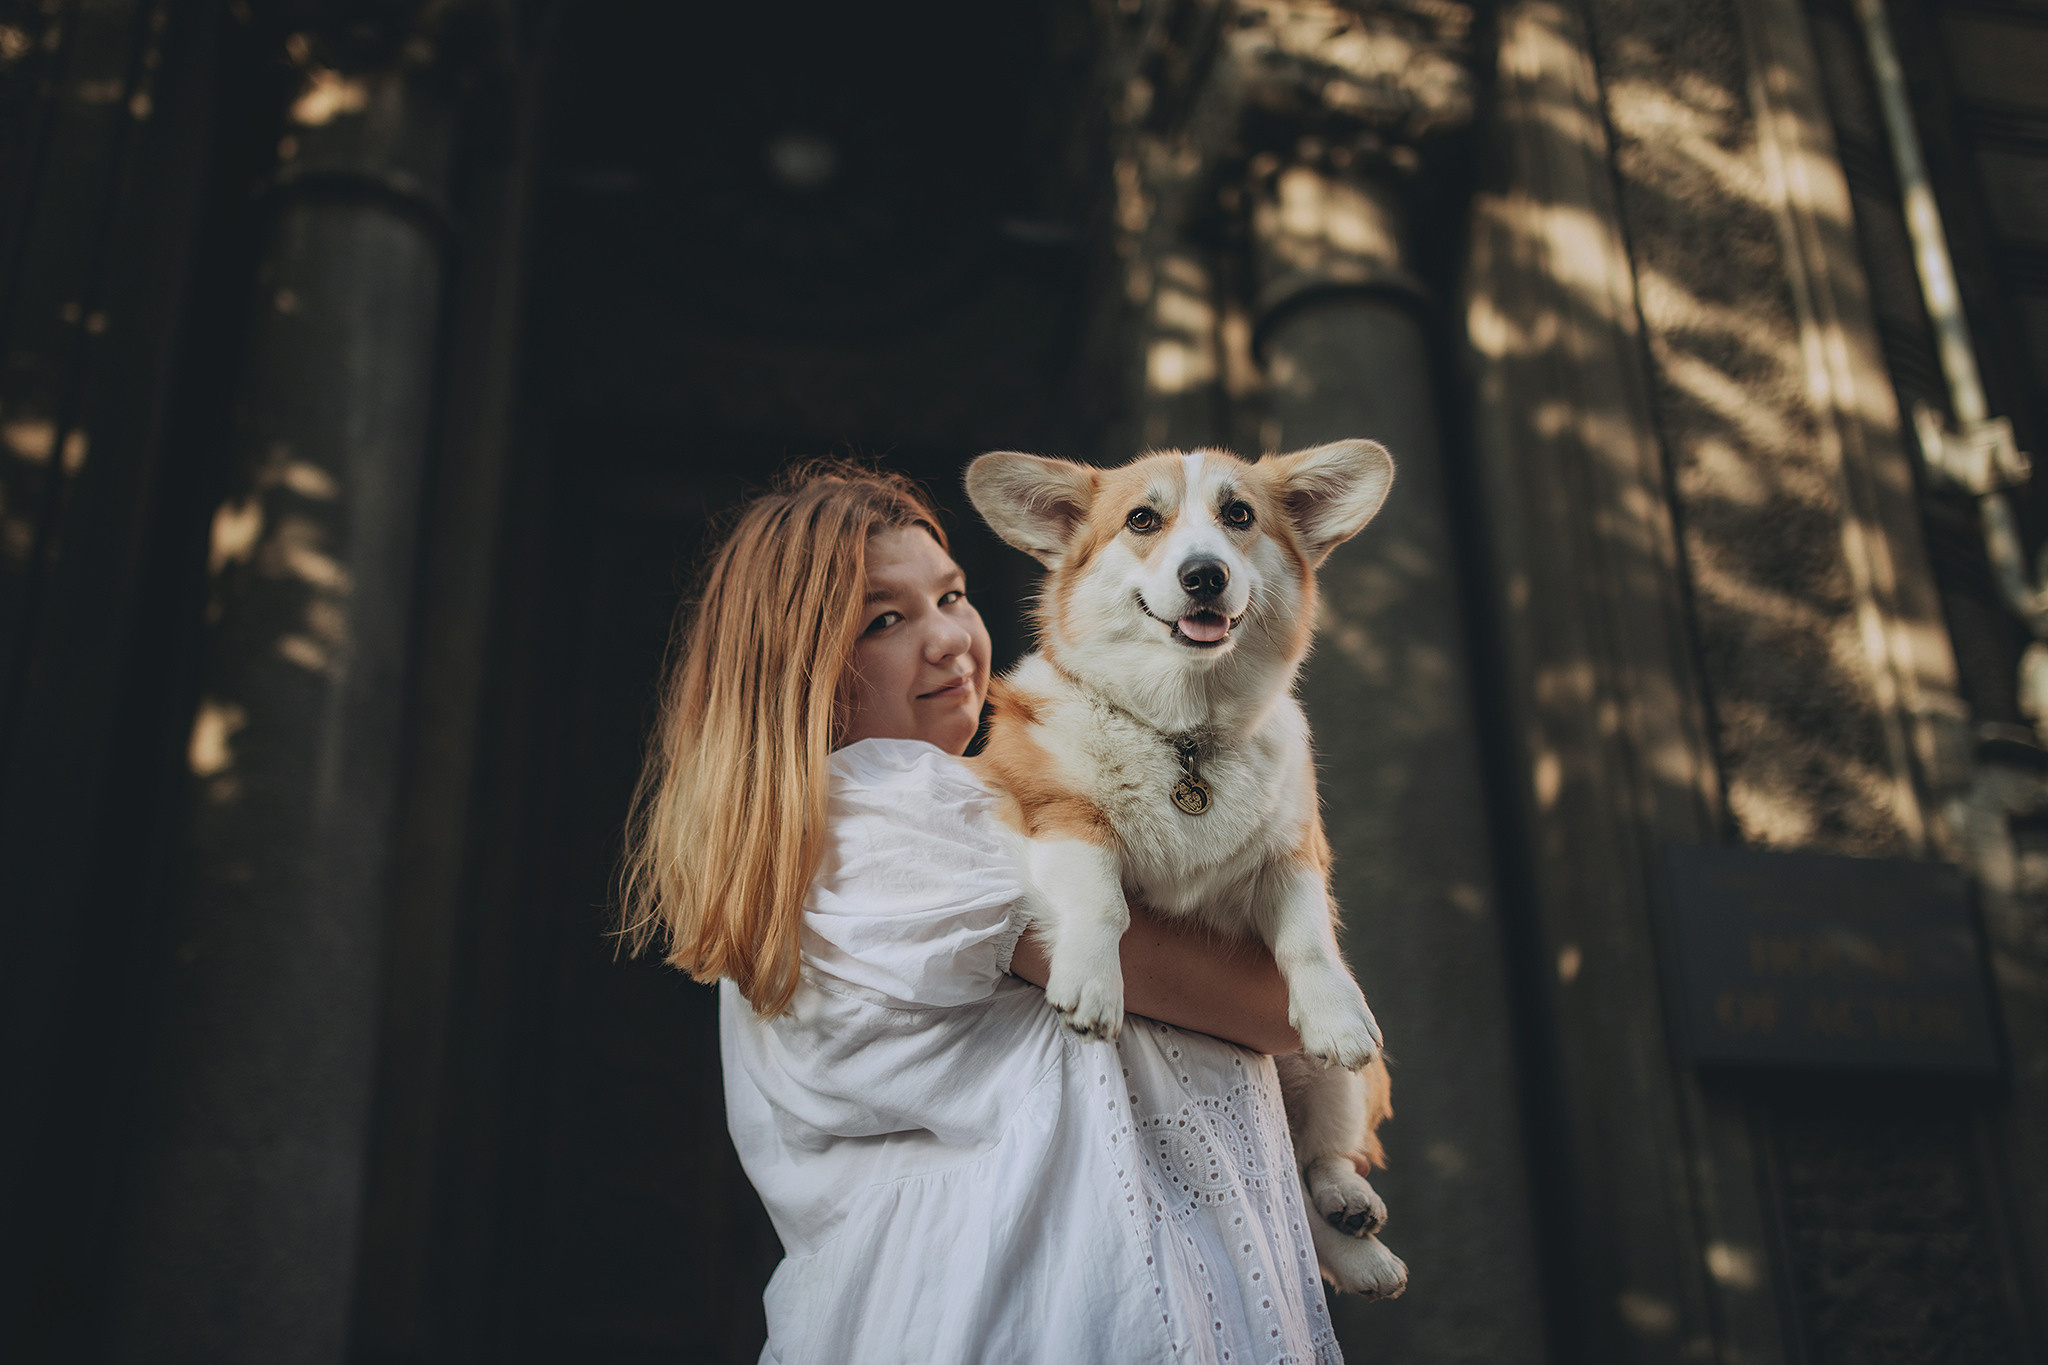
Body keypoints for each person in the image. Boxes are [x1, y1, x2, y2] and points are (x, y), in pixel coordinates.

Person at [620, 462, 1341, 1365]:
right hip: (1024, 1320)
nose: (951, 641)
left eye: (951, 595)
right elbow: (1272, 1007)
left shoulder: (819, 844)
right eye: (886, 619)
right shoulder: (901, 810)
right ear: (806, 670)